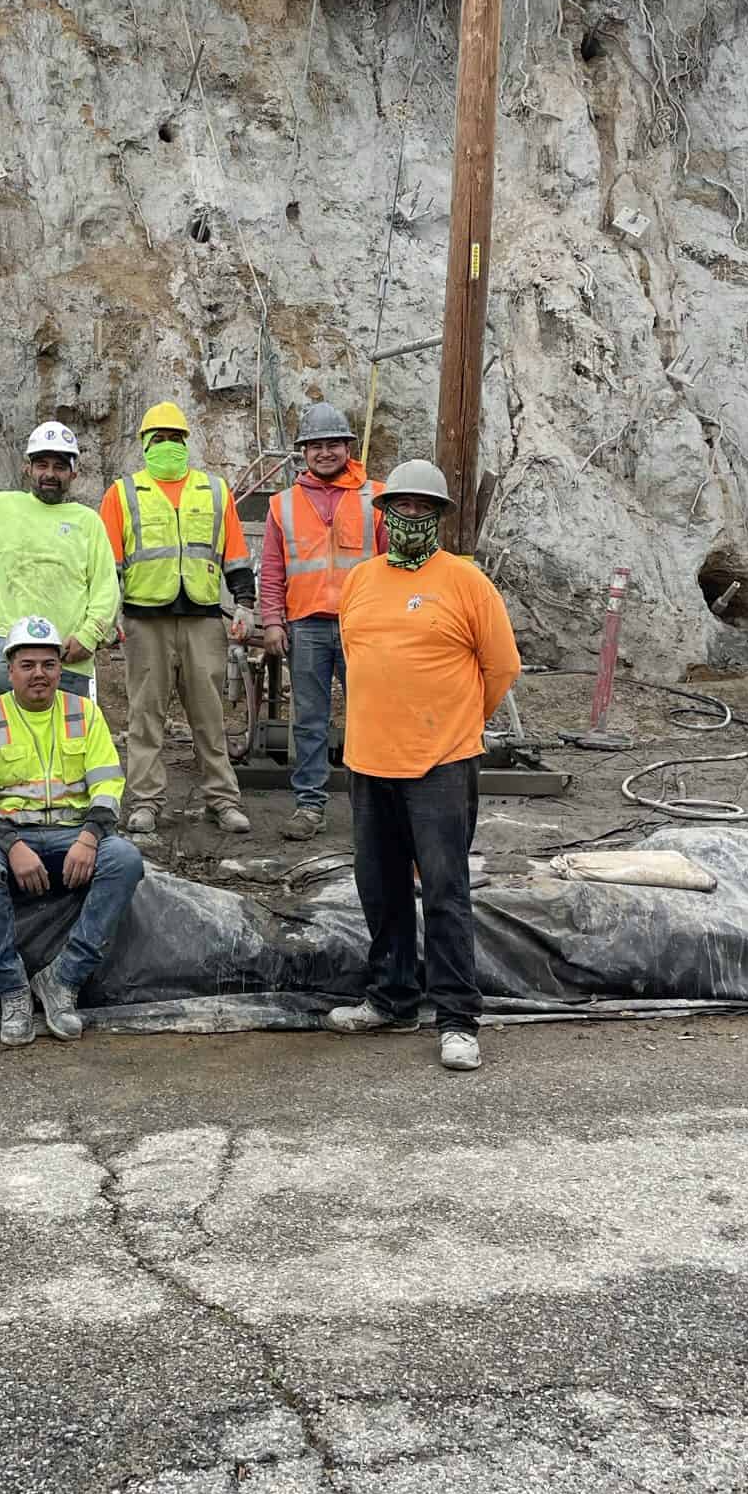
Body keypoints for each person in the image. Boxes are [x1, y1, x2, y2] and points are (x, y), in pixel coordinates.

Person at [324, 459, 522, 1074]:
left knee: (444, 889)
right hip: (369, 762)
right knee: (379, 888)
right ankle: (392, 998)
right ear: (383, 515)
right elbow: (357, 659)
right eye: (400, 508)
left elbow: (501, 668)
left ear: (438, 516)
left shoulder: (466, 582)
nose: (410, 517)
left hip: (441, 763)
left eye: (423, 509)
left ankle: (457, 1016)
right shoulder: (359, 580)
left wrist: (457, 723)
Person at [0, 615, 144, 1046]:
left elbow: (108, 786)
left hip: (72, 834)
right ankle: (13, 989)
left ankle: (62, 979)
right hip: (9, 837)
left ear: (61, 667)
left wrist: (90, 838)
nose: (39, 674)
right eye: (28, 665)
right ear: (10, 670)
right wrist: (14, 846)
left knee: (125, 858)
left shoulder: (85, 713)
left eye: (48, 664)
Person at [98, 402, 254, 836]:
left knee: (209, 716)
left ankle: (222, 801)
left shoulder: (214, 491)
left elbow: (235, 555)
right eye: (159, 438)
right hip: (145, 621)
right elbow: (108, 564)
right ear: (145, 445)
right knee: (144, 717)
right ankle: (146, 803)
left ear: (186, 442)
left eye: (175, 438)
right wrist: (110, 616)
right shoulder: (123, 493)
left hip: (203, 619)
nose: (168, 445)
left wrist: (244, 602)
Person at [259, 404, 385, 841]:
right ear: (303, 453)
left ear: (348, 447)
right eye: (316, 446)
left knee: (371, 718)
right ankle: (309, 806)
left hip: (363, 626)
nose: (325, 453)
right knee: (309, 720)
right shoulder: (283, 505)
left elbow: (392, 565)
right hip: (307, 626)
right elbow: (272, 569)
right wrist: (272, 620)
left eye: (333, 444)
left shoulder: (376, 497)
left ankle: (373, 808)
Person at [0, 421, 120, 704]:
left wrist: (89, 636)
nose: (50, 474)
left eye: (59, 467)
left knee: (70, 733)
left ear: (73, 473)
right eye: (42, 465)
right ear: (27, 468)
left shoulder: (88, 521)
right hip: (9, 644)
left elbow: (105, 587)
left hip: (66, 651)